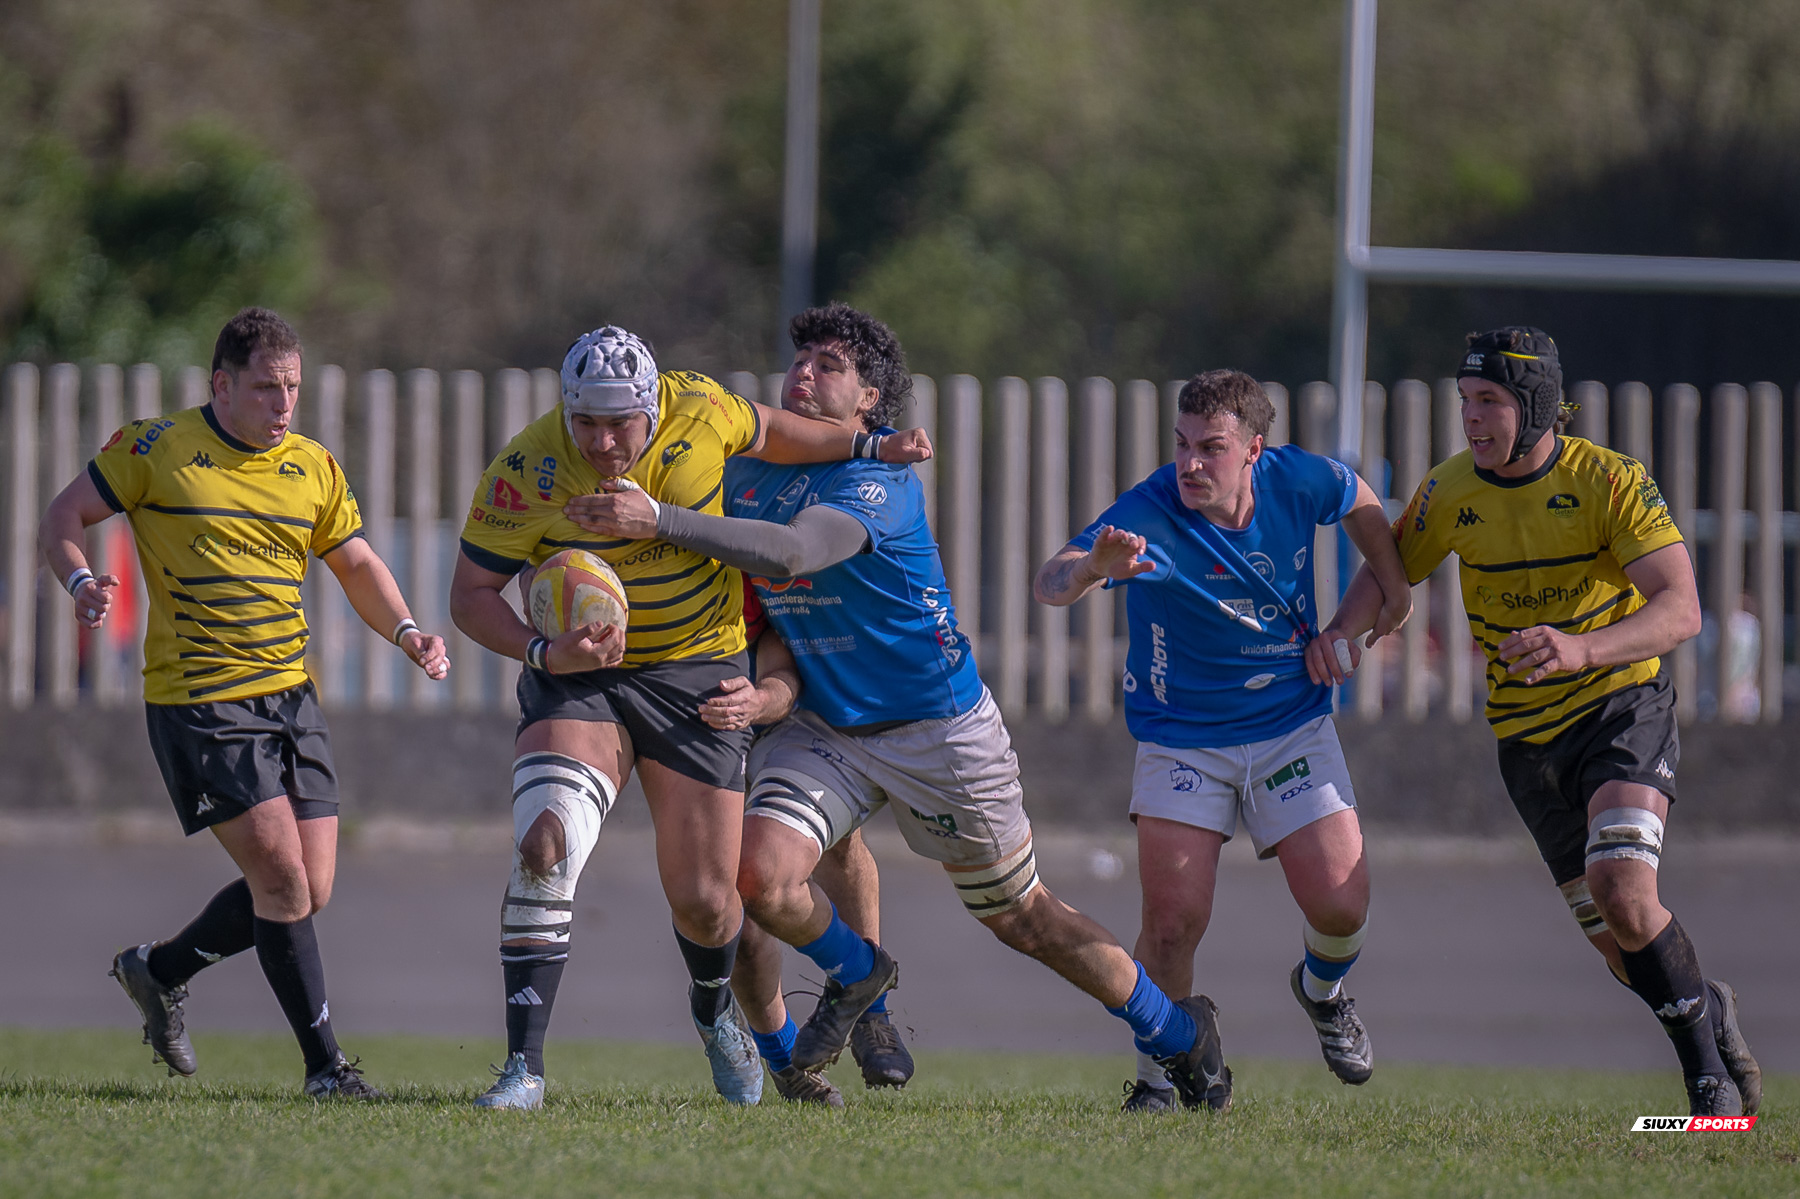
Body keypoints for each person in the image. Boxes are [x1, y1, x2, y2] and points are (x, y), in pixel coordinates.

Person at [563, 303, 1230, 1113]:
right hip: (826, 729)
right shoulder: (744, 472)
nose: (804, 374)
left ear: (871, 398)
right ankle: (860, 973)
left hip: (938, 731)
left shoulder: (879, 481)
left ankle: (1177, 1032)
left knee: (1024, 918)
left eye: (830, 365)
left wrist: (659, 516)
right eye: (799, 361)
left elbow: (792, 554)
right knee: (755, 877)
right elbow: (757, 602)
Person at [449, 325, 931, 1110]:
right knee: (545, 841)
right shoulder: (528, 467)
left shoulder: (700, 409)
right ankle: (522, 1069)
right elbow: (468, 596)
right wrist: (543, 652)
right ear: (565, 413)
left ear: (653, 406)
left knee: (710, 900)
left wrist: (870, 449)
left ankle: (714, 1015)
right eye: (586, 423)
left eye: (621, 424)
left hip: (696, 672)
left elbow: (776, 430)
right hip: (581, 676)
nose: (604, 442)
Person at [1327, 326, 1761, 1118]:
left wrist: (1581, 648)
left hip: (1620, 706)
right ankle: (1710, 1007)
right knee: (1622, 945)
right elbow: (1387, 571)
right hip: (1525, 741)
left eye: (1489, 401)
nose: (1472, 418)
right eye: (1465, 401)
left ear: (1536, 407)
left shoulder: (1611, 482)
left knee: (1624, 888)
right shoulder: (1451, 490)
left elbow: (1683, 608)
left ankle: (1711, 1087)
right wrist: (1339, 633)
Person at [37, 307, 450, 1099]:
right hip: (202, 703)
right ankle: (327, 1068)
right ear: (221, 385)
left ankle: (156, 970)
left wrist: (407, 630)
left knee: (306, 887)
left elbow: (355, 560)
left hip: (292, 698)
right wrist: (82, 580)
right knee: (284, 883)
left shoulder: (312, 466)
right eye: (266, 388)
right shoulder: (156, 449)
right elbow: (63, 516)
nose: (283, 405)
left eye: (292, 388)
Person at [1034, 369, 1411, 1110]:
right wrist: (1090, 569)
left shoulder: (1296, 480)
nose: (1191, 464)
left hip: (1289, 724)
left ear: (1254, 451)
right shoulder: (1150, 509)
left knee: (1341, 903)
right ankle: (1156, 1081)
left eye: (1211, 447)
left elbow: (1361, 499)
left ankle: (1323, 991)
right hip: (1182, 736)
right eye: (1182, 445)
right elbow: (1049, 580)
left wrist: (1388, 591)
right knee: (1172, 923)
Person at [696, 579, 915, 1101]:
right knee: (734, 909)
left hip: (794, 700)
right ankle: (786, 1063)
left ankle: (870, 1012)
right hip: (696, 738)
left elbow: (778, 659)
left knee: (838, 845)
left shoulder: (748, 550)